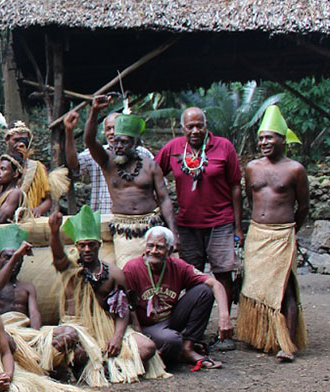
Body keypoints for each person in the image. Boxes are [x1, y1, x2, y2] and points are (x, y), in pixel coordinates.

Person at [49, 206, 169, 386]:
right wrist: (54, 231)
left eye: (92, 245)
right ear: (77, 247)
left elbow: (123, 309)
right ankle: (99, 366)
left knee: (147, 347)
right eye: (83, 245)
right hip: (79, 327)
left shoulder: (114, 273)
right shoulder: (71, 270)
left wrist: (117, 337)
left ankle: (100, 368)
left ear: (100, 245)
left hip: (108, 328)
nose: (87, 249)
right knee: (65, 340)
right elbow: (58, 257)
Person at [156, 107, 242, 351]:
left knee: (223, 272)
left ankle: (225, 330)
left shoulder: (224, 147)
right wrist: (160, 210)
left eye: (199, 125)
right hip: (187, 224)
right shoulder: (172, 149)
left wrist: (238, 226)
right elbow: (153, 175)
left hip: (221, 221)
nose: (195, 131)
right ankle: (196, 330)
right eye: (189, 127)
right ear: (182, 128)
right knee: (192, 275)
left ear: (206, 125)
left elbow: (236, 186)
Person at [238, 105, 309, 362]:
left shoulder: (295, 169)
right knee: (256, 287)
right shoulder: (252, 168)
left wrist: (289, 231)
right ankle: (263, 337)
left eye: (269, 137)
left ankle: (287, 344)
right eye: (261, 138)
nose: (264, 142)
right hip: (258, 233)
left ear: (282, 138)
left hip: (282, 235)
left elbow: (304, 207)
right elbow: (250, 198)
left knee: (285, 289)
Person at [84, 95, 177, 269]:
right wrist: (95, 110)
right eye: (115, 141)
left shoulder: (150, 166)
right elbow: (89, 140)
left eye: (124, 142)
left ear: (135, 143)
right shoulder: (107, 162)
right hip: (123, 231)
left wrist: (173, 232)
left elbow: (164, 199)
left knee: (157, 273)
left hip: (152, 227)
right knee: (128, 274)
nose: (117, 146)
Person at [0, 225, 92, 378]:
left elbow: (34, 314)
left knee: (70, 332)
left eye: (18, 258)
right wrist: (17, 254)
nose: (14, 262)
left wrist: (37, 337)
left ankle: (42, 360)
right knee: (8, 341)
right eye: (8, 257)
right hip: (6, 333)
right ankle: (43, 366)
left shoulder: (27, 287)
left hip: (27, 333)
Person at [123, 227, 229, 370]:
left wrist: (224, 317)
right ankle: (173, 349)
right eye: (150, 246)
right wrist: (138, 335)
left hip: (171, 319)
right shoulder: (132, 268)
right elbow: (128, 304)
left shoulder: (178, 266)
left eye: (159, 247)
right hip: (146, 326)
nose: (153, 251)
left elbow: (215, 284)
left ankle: (188, 347)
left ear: (170, 249)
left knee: (203, 291)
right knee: (172, 340)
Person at [63, 110, 155, 213]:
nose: (111, 132)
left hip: (137, 220)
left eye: (115, 128)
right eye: (108, 129)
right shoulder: (97, 153)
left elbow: (159, 187)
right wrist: (69, 131)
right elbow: (74, 164)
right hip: (104, 217)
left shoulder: (143, 154)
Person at [4, 121, 64, 216]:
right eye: (16, 140)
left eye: (24, 140)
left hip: (30, 219)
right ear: (8, 141)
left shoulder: (38, 168)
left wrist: (39, 209)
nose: (20, 144)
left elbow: (48, 199)